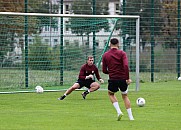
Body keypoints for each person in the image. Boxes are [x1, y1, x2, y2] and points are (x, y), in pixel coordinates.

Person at [102, 38, 134, 121]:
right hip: (123, 78)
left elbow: (104, 70)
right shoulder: (122, 53)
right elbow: (126, 66)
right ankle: (131, 117)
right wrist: (127, 78)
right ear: (118, 44)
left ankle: (119, 111)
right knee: (125, 96)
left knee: (110, 94)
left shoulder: (105, 55)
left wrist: (111, 72)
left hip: (113, 79)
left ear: (110, 44)